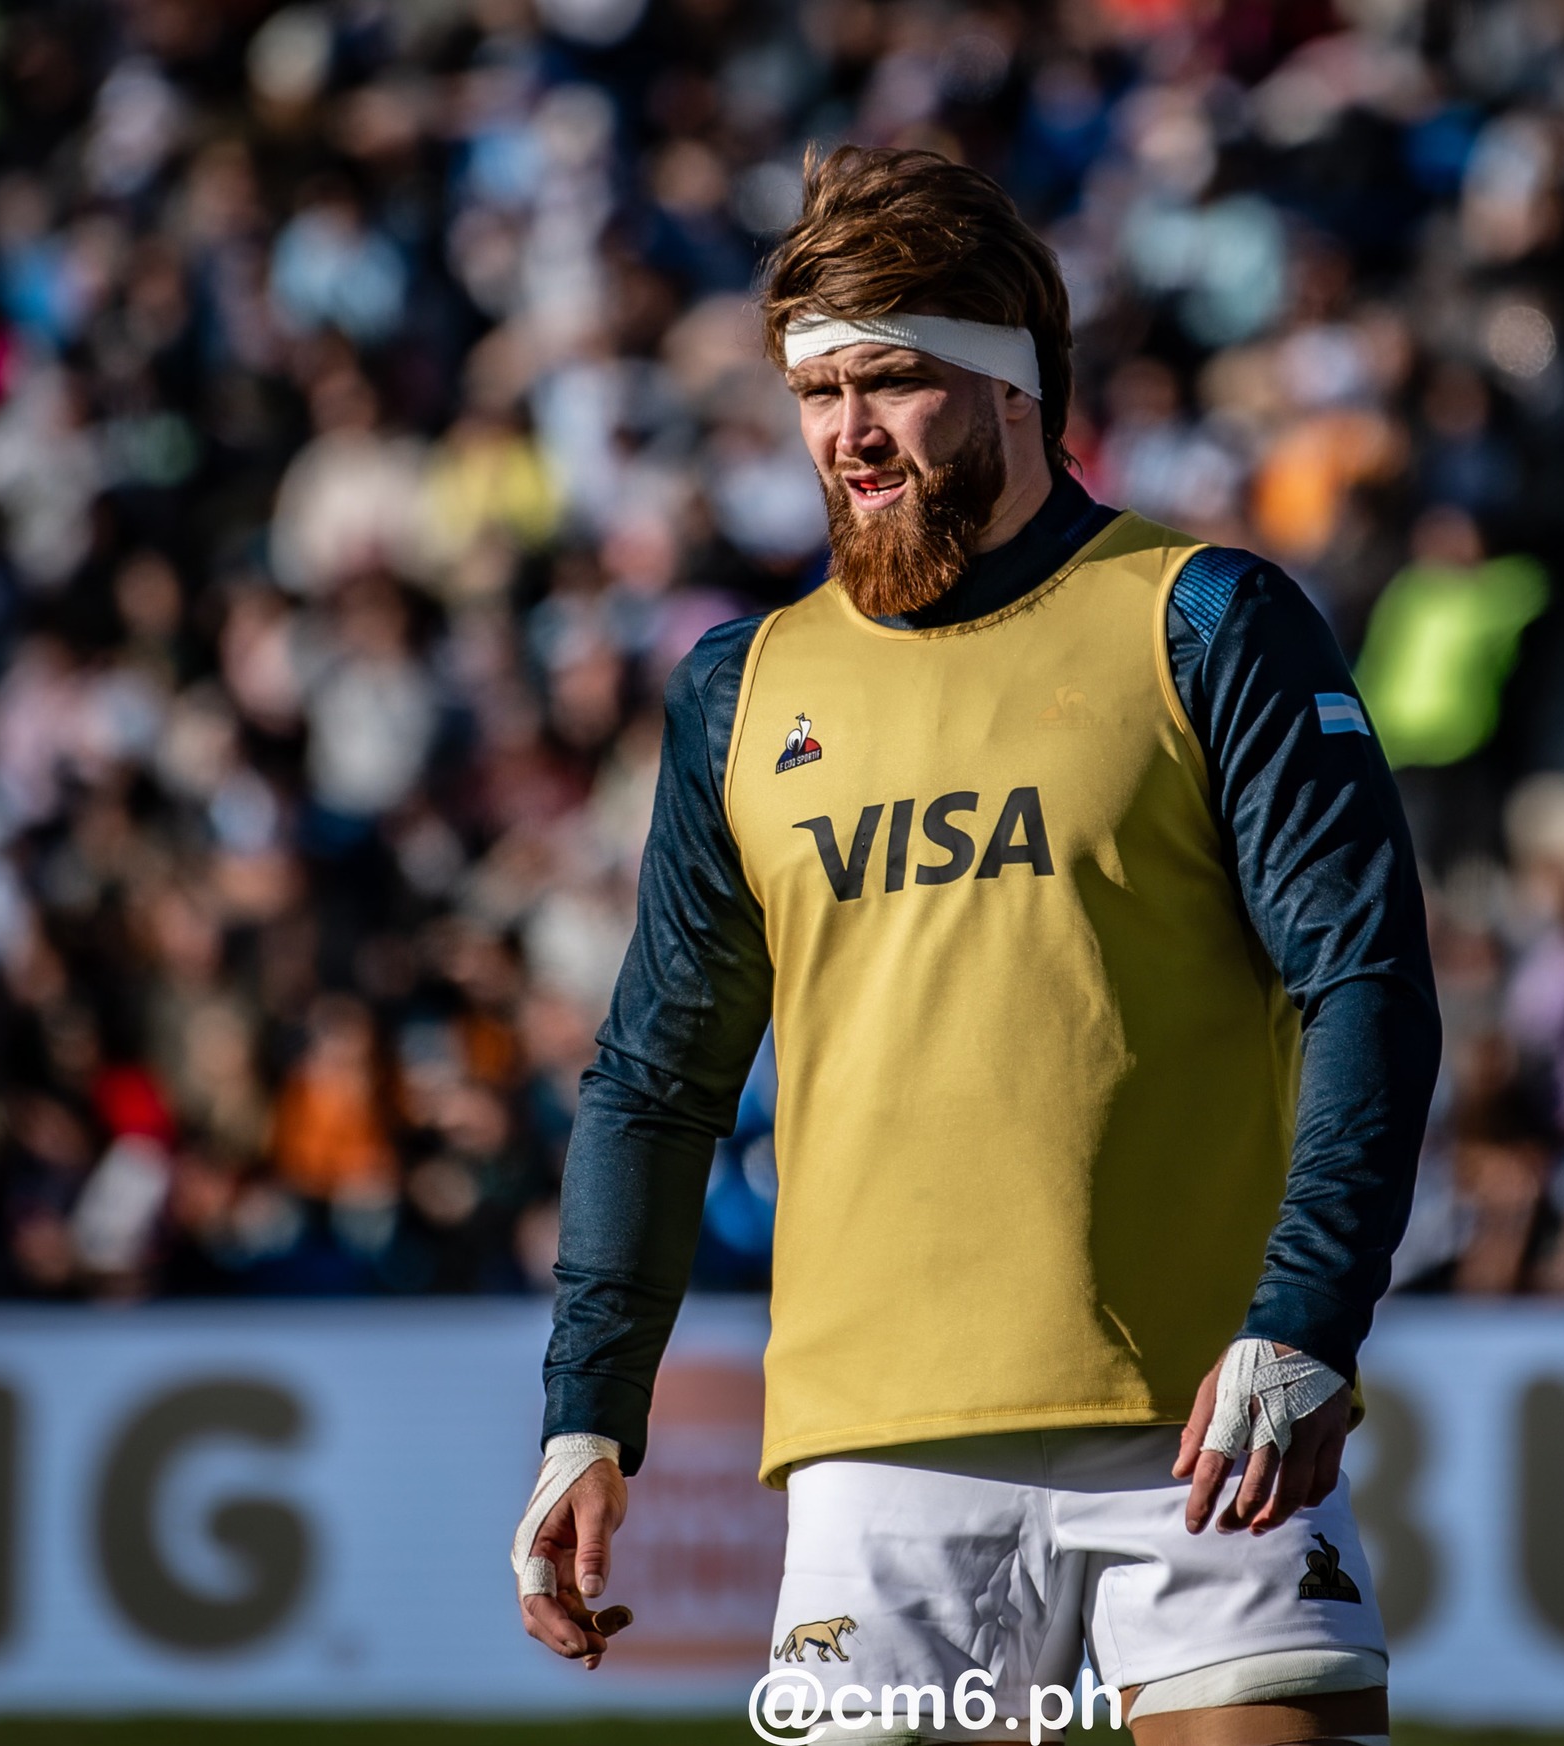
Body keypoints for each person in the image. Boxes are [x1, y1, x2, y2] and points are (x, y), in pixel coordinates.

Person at [512, 146, 1439, 1746]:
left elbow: (1364, 982)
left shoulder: (1206, 617)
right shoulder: (741, 688)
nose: (847, 436)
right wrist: (588, 1414)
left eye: (893, 383)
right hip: (880, 1461)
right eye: (816, 392)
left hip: (1206, 1431)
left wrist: (1304, 1321)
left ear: (1015, 386)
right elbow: (658, 1080)